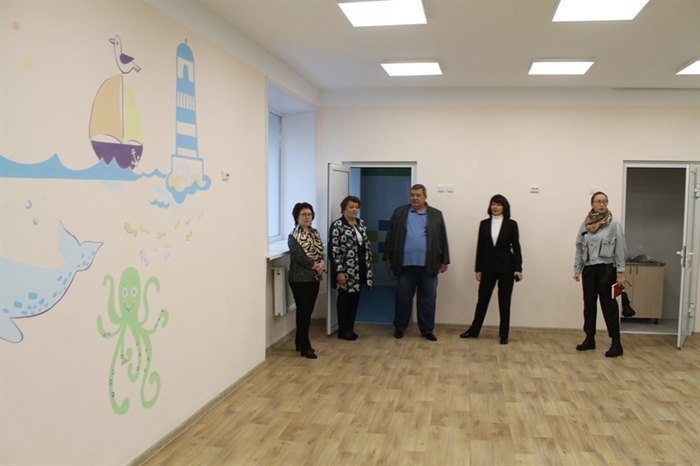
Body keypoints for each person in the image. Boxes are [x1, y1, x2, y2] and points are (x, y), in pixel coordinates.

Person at [383, 184, 450, 341]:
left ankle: (427, 330)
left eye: (418, 195)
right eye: (412, 195)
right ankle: (400, 327)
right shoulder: (399, 213)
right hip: (405, 265)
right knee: (402, 298)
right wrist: (387, 257)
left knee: (427, 300)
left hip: (429, 265)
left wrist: (445, 260)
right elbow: (390, 236)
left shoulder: (436, 214)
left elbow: (442, 238)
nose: (414, 198)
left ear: (425, 197)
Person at [461, 194, 523, 344]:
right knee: (482, 300)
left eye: (499, 204)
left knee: (504, 302)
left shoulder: (511, 224)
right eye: (493, 204)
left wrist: (518, 268)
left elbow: (516, 246)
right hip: (487, 267)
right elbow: (480, 247)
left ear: (504, 207)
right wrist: (478, 269)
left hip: (506, 268)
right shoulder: (484, 224)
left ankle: (504, 335)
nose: (495, 207)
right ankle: (474, 330)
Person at [573, 191, 627, 358]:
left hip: (607, 269)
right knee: (589, 305)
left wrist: (620, 272)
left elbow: (620, 249)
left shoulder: (614, 224)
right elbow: (579, 246)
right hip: (589, 269)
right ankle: (589, 339)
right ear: (592, 204)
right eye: (598, 201)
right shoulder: (585, 224)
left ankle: (616, 343)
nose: (601, 204)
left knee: (609, 306)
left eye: (604, 201)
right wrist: (577, 268)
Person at [329, 195, 374, 341]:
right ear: (344, 208)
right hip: (345, 270)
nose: (354, 209)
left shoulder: (361, 223)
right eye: (351, 207)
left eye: (356, 207)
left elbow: (365, 245)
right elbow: (334, 250)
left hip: (360, 268)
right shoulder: (337, 225)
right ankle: (343, 330)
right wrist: (339, 272)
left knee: (355, 300)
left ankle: (350, 328)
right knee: (344, 300)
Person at [288, 202, 325, 359]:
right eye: (303, 214)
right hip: (299, 278)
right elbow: (299, 257)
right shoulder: (293, 236)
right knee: (303, 312)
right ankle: (305, 346)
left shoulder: (315, 232)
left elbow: (320, 251)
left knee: (308, 311)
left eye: (309, 214)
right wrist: (315, 265)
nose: (307, 217)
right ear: (297, 217)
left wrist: (322, 263)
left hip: (314, 277)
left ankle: (299, 341)